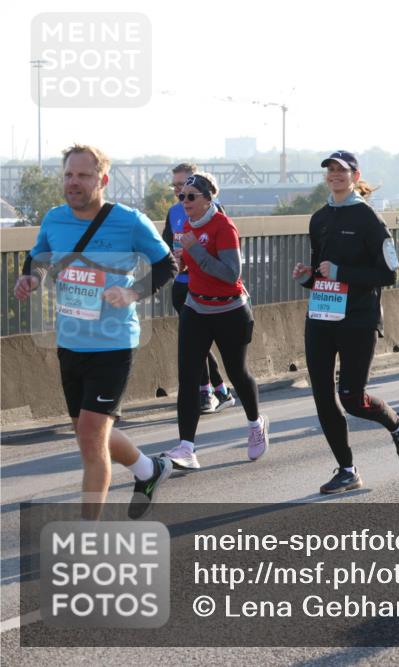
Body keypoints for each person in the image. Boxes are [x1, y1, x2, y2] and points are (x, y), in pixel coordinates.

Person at [14, 144, 177, 520]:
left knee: (90, 439)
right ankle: (149, 469)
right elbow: (39, 257)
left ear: (102, 180)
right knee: (89, 433)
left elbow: (167, 265)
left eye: (83, 175)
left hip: (113, 343)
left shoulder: (130, 221)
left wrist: (132, 293)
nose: (74, 182)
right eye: (68, 175)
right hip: (70, 340)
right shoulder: (54, 219)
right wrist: (30, 278)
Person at [292, 150, 399, 494]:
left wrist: (342, 272)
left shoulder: (368, 218)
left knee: (351, 397)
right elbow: (322, 272)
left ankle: (398, 424)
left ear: (355, 176)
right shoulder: (319, 218)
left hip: (358, 319)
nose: (335, 175)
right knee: (322, 396)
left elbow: (390, 274)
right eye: (330, 170)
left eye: (342, 170)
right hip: (321, 315)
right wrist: (307, 277)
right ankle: (347, 470)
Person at [161, 172, 269, 470]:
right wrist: (181, 260)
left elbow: (230, 274)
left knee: (237, 372)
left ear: (208, 199)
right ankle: (186, 448)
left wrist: (194, 249)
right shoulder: (186, 225)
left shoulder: (224, 226)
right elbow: (190, 263)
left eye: (191, 197)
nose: (184, 202)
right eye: (181, 196)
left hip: (230, 310)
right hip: (196, 307)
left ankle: (255, 424)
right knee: (188, 377)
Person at [162, 163, 235, 414]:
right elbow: (166, 245)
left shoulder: (215, 212)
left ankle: (208, 391)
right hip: (182, 285)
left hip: (208, 288)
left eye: (184, 186)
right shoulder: (174, 212)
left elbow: (225, 254)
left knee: (197, 343)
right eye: (176, 187)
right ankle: (218, 390)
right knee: (195, 342)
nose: (180, 193)